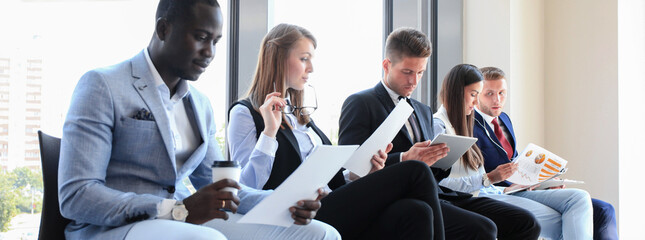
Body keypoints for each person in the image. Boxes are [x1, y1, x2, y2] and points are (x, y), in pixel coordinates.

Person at [58, 1, 340, 239]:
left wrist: (283, 202)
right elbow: (77, 194)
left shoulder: (200, 104)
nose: (210, 53)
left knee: (320, 234)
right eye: (201, 38)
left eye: (215, 42)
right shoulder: (102, 85)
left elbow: (223, 187)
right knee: (208, 238)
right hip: (111, 229)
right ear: (163, 29)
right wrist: (176, 209)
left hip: (180, 221)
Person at [228, 23, 444, 240]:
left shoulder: (302, 118)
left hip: (328, 201)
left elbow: (329, 181)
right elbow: (245, 187)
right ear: (277, 57)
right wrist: (269, 133)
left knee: (417, 211)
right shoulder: (246, 113)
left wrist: (359, 174)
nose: (311, 68)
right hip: (299, 210)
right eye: (304, 59)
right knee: (415, 170)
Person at [338, 28, 541, 240]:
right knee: (483, 229)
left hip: (440, 194)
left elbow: (434, 172)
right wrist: (403, 158)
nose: (414, 81)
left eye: (420, 73)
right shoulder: (361, 103)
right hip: (401, 199)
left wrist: (441, 159)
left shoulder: (422, 110)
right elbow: (350, 168)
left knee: (525, 223)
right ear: (387, 65)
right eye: (407, 72)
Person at [433, 64, 594, 240]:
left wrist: (531, 183)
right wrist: (490, 179)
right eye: (474, 95)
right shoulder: (440, 126)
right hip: (475, 197)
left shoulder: (462, 123)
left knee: (579, 198)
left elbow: (482, 180)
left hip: (494, 192)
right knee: (557, 221)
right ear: (456, 93)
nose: (476, 102)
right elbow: (441, 184)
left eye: (477, 95)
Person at [475, 66, 619, 240]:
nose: (497, 99)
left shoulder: (504, 119)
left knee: (603, 209)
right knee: (570, 215)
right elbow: (475, 176)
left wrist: (544, 180)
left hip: (523, 188)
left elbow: (514, 161)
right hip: (501, 193)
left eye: (502, 93)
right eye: (489, 94)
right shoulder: (470, 125)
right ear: (477, 95)